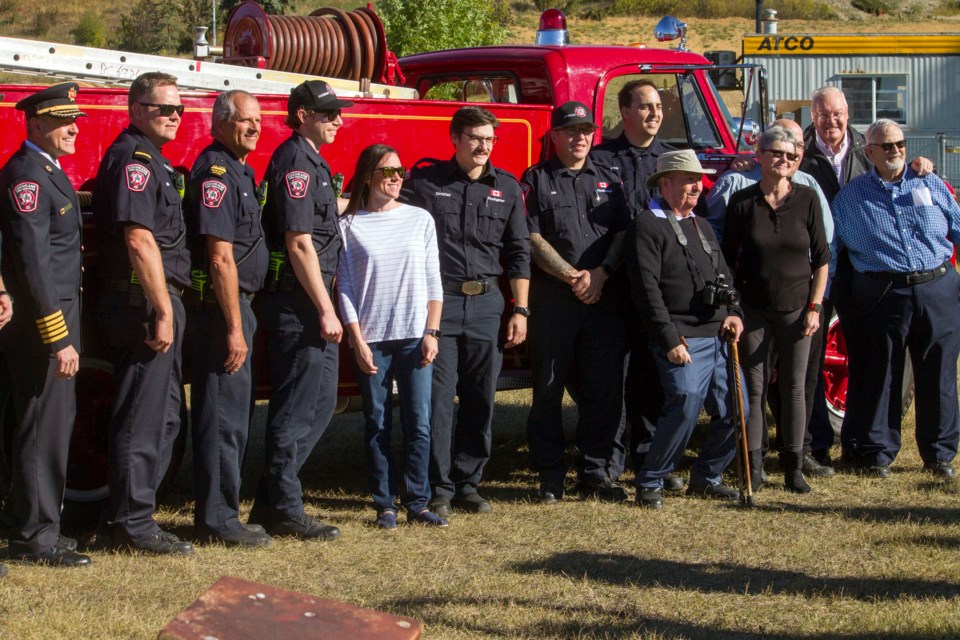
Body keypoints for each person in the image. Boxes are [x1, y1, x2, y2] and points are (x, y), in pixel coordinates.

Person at [401, 106, 530, 518]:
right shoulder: (424, 182)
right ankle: (438, 487)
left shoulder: (508, 188)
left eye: (490, 139)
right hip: (440, 304)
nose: (483, 146)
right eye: (475, 138)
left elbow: (519, 252)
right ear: (454, 139)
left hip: (489, 304)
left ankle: (468, 483)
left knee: (480, 398)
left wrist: (520, 310)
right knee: (437, 400)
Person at [800, 86, 933, 471]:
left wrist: (921, 165)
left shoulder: (870, 145)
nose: (832, 122)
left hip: (866, 270)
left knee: (869, 357)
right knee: (813, 360)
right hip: (817, 270)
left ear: (848, 113)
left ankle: (861, 443)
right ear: (813, 116)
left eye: (838, 113)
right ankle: (817, 444)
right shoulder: (800, 153)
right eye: (823, 115)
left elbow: (897, 174)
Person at [93, 72, 193, 556]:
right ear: (136, 110)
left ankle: (136, 514)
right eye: (162, 109)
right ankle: (130, 524)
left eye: (178, 110)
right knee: (142, 415)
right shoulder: (134, 160)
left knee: (166, 414)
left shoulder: (153, 160)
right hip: (141, 302)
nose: (174, 116)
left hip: (153, 299)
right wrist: (161, 308)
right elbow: (138, 240)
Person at [705, 118, 836, 481]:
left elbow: (822, 259)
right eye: (775, 153)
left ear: (797, 161)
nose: (783, 160)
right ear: (759, 156)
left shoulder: (808, 198)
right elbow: (726, 260)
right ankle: (755, 465)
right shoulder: (741, 202)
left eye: (790, 155)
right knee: (754, 387)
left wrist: (815, 307)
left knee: (795, 388)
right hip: (754, 311)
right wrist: (733, 310)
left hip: (798, 310)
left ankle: (793, 467)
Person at [249, 81, 350, 540]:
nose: (338, 121)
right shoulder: (296, 162)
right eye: (329, 114)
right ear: (303, 113)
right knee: (295, 408)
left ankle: (271, 498)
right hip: (299, 303)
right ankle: (285, 508)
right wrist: (326, 309)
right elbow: (299, 241)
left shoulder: (312, 160)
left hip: (309, 301)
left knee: (323, 400)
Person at [831, 119, 960, 479]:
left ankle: (939, 454)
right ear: (869, 152)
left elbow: (958, 225)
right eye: (886, 146)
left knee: (940, 375)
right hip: (884, 292)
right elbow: (831, 249)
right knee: (881, 372)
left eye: (900, 144)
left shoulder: (928, 182)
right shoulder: (850, 197)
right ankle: (876, 452)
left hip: (937, 287)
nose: (896, 151)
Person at [523, 101, 630, 503]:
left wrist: (600, 274)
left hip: (603, 299)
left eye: (586, 130)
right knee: (548, 390)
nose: (579, 137)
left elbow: (622, 233)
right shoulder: (535, 179)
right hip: (556, 301)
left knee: (604, 389)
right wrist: (572, 276)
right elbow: (531, 238)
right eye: (571, 131)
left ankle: (596, 473)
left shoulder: (608, 177)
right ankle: (550, 474)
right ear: (554, 136)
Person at [0, 83, 89, 567]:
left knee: (54, 424)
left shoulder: (47, 171)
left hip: (57, 314)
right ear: (35, 123)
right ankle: (35, 537)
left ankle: (40, 526)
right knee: (41, 427)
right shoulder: (26, 177)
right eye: (63, 120)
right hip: (42, 324)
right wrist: (58, 339)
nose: (75, 127)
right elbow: (33, 265)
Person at [624, 149, 743, 509]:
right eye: (689, 179)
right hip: (681, 336)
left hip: (719, 334)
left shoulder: (702, 225)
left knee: (739, 411)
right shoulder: (647, 225)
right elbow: (646, 291)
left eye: (698, 180)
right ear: (665, 183)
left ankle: (708, 475)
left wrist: (734, 312)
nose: (697, 186)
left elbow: (725, 277)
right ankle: (651, 479)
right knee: (686, 402)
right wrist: (670, 338)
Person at [338, 144, 445, 528]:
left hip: (416, 336)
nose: (397, 177)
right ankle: (384, 504)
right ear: (368, 177)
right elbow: (345, 287)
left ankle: (418, 501)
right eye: (388, 172)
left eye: (400, 171)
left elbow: (434, 280)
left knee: (419, 421)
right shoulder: (349, 225)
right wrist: (355, 339)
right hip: (373, 340)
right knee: (377, 421)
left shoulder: (420, 219)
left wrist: (432, 331)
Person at [185, 90, 270, 547]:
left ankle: (225, 513)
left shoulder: (239, 169)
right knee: (221, 418)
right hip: (222, 315)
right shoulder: (216, 173)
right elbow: (220, 258)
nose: (255, 127)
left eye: (258, 120)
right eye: (245, 120)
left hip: (239, 310)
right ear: (220, 123)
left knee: (236, 419)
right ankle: (216, 520)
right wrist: (235, 328)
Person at [592, 79, 678, 487]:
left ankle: (649, 460)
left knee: (652, 377)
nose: (654, 113)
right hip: (614, 286)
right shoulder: (600, 159)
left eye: (658, 106)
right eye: (645, 106)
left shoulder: (673, 160)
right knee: (611, 377)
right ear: (624, 112)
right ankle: (607, 465)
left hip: (658, 288)